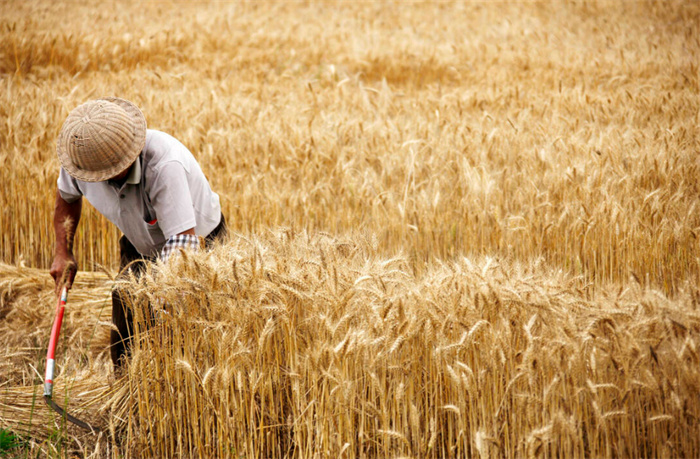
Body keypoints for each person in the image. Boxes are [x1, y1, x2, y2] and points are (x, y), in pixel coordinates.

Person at [49, 97, 227, 369]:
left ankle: (186, 394)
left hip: (197, 243)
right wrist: (63, 251)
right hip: (139, 239)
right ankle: (126, 388)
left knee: (189, 328)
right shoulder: (82, 158)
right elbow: (67, 199)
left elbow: (182, 244)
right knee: (125, 314)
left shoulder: (165, 165)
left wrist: (163, 301)